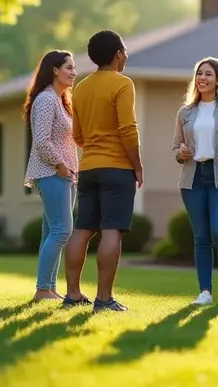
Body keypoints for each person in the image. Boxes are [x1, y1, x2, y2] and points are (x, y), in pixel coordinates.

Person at [61, 29, 143, 313]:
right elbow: (127, 130)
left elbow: (77, 134)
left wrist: (93, 148)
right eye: (125, 52)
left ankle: (72, 294)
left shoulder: (80, 87)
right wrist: (137, 165)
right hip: (116, 168)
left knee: (82, 229)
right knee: (112, 230)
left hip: (89, 168)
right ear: (118, 54)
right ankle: (104, 299)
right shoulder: (122, 84)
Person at [172, 57, 218, 306]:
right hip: (193, 179)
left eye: (208, 74)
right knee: (201, 237)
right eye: (199, 74)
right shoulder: (185, 112)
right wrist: (180, 153)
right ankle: (205, 291)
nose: (202, 78)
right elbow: (176, 148)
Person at [23, 50, 79, 302]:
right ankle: (42, 289)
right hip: (51, 173)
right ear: (54, 70)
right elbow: (42, 142)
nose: (73, 72)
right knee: (62, 231)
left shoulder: (61, 100)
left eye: (73, 67)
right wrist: (60, 166)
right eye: (69, 67)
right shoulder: (46, 100)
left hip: (65, 175)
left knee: (52, 232)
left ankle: (49, 288)